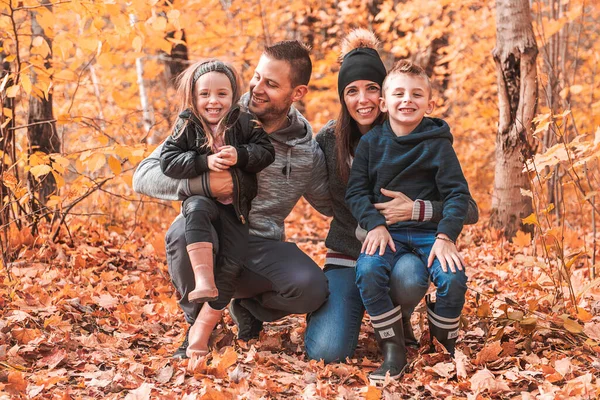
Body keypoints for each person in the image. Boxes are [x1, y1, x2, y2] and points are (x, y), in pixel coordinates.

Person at [133, 40, 332, 358]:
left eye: (271, 83)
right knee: (182, 231)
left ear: (297, 93)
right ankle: (198, 325)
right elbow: (143, 175)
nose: (258, 88)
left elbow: (331, 203)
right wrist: (205, 182)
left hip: (259, 250)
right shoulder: (215, 114)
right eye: (256, 77)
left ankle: (249, 305)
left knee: (311, 288)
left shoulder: (306, 151)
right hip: (209, 237)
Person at [304, 29, 478, 369]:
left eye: (372, 87)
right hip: (349, 254)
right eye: (352, 91)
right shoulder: (328, 140)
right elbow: (316, 187)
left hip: (404, 248)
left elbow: (467, 205)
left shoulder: (423, 136)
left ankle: (410, 331)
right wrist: (370, 222)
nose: (363, 99)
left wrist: (416, 210)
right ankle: (347, 315)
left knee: (413, 276)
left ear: (382, 95)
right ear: (343, 97)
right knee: (327, 351)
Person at [345, 59, 471, 380]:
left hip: (432, 234)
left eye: (416, 94)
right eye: (399, 93)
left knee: (453, 276)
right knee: (369, 268)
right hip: (389, 233)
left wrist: (446, 237)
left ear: (429, 104)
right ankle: (393, 350)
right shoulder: (371, 144)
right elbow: (356, 193)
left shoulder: (438, 144)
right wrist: (374, 223)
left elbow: (458, 196)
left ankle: (441, 349)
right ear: (384, 104)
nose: (407, 100)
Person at [158, 60, 275, 357]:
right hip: (202, 203)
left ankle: (204, 326)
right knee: (195, 210)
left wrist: (241, 154)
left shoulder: (245, 121)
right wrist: (203, 162)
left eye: (222, 94)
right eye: (205, 94)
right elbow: (169, 161)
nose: (213, 101)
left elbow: (266, 152)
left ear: (233, 95)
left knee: (232, 264)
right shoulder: (187, 123)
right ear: (194, 97)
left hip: (234, 209)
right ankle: (202, 279)